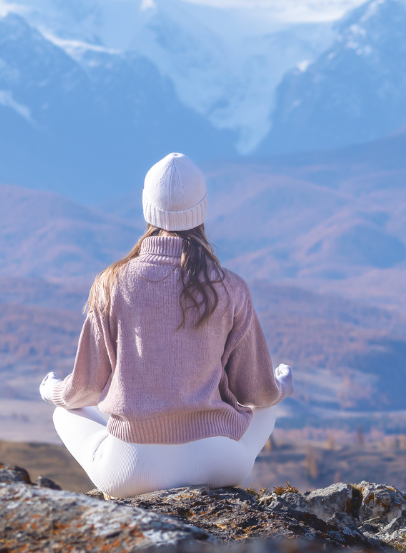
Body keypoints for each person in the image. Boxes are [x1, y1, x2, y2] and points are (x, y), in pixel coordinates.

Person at [40, 152, 293, 498]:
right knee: (268, 406)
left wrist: (51, 390)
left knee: (64, 413)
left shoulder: (111, 284)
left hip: (130, 470)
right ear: (202, 209)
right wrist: (282, 386)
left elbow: (84, 389)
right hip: (218, 462)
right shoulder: (231, 287)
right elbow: (256, 392)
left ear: (147, 207)